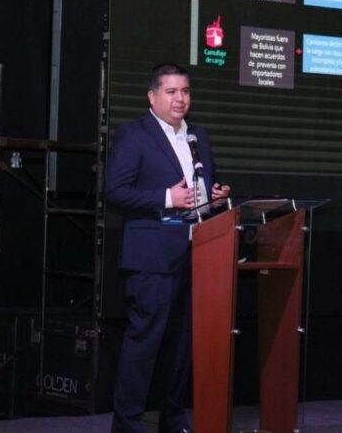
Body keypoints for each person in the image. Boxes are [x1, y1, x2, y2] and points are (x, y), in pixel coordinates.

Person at [106, 62, 230, 433]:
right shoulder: (134, 134)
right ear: (152, 96)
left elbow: (200, 188)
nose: (180, 99)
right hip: (152, 258)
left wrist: (215, 196)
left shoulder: (198, 136)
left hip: (198, 255)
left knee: (182, 347)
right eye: (172, 91)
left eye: (186, 91)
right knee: (144, 345)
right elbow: (115, 191)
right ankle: (127, 425)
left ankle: (172, 422)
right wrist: (167, 197)